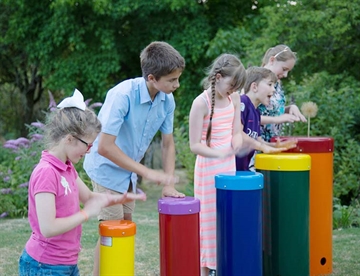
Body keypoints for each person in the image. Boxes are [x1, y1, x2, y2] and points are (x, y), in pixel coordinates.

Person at [83, 41, 186, 275]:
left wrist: (168, 184)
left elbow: (168, 144)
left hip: (128, 172)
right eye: (171, 80)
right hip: (106, 168)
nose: (177, 85)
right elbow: (105, 147)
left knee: (126, 224)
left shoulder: (166, 101)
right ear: (152, 78)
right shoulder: (122, 95)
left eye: (178, 78)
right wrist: (146, 172)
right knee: (113, 228)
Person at [18, 89, 146, 276]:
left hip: (66, 264)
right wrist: (85, 214)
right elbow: (48, 228)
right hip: (44, 266)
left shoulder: (67, 168)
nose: (89, 151)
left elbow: (89, 197)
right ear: (69, 138)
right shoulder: (47, 172)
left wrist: (119, 198)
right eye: (88, 145)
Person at [189, 54, 288, 276]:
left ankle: (224, 268)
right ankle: (205, 271)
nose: (234, 90)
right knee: (208, 224)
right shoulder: (200, 103)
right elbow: (194, 145)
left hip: (228, 168)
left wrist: (235, 146)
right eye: (231, 85)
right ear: (217, 77)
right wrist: (219, 152)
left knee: (227, 221)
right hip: (207, 170)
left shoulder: (234, 99)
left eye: (237, 87)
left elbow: (236, 133)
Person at [236, 66, 297, 171]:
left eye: (274, 85)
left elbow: (260, 141)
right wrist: (261, 146)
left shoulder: (256, 112)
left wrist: (276, 146)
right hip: (231, 169)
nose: (273, 90)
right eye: (270, 84)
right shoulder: (242, 102)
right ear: (254, 87)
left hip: (243, 170)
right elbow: (239, 134)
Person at [258, 44, 307, 142]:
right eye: (284, 69)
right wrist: (277, 120)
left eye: (288, 71)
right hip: (255, 147)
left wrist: (289, 109)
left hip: (272, 145)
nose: (285, 75)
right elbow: (246, 117)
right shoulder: (256, 81)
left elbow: (270, 111)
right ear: (272, 60)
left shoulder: (276, 84)